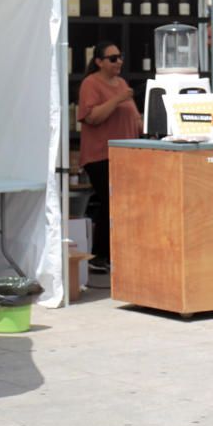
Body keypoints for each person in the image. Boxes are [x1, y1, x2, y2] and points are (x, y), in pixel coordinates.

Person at [77, 41, 141, 274]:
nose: (119, 62)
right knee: (109, 201)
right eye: (113, 58)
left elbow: (133, 117)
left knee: (122, 202)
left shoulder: (122, 83)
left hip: (125, 155)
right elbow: (92, 116)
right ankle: (99, 254)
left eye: (120, 57)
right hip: (100, 155)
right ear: (99, 62)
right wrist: (118, 99)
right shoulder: (91, 84)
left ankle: (116, 252)